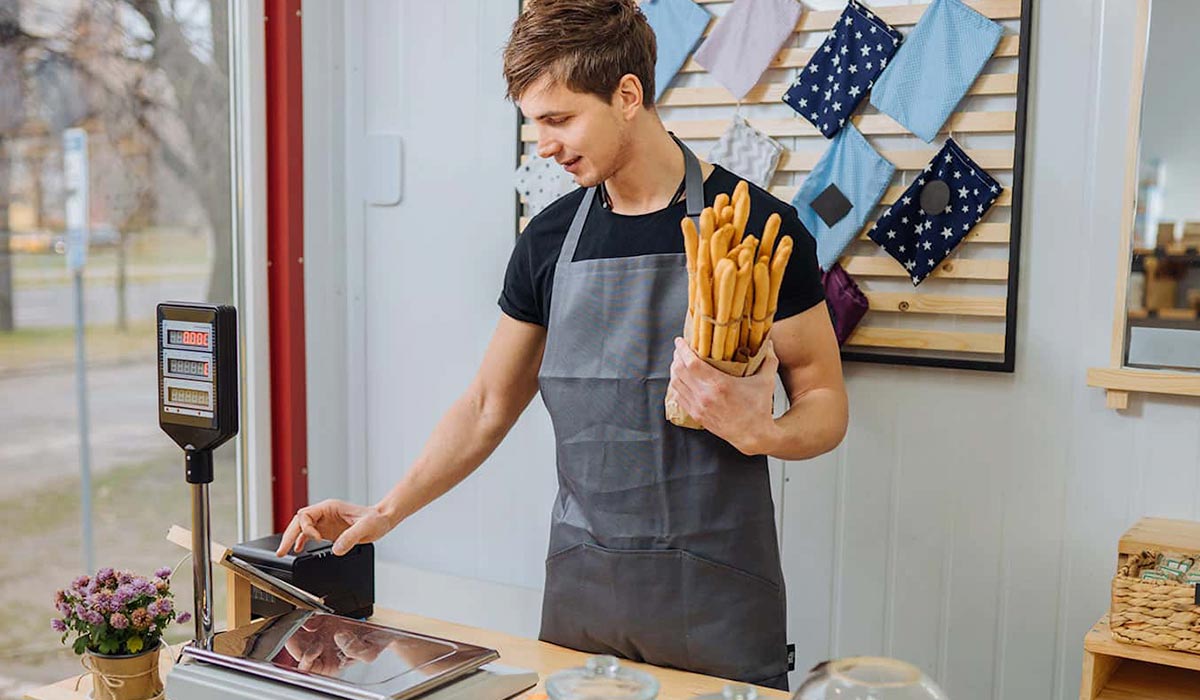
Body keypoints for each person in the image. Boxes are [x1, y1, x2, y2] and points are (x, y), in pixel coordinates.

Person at [276, 0, 848, 689]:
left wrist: (764, 434)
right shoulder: (548, 240)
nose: (544, 144)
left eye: (559, 119)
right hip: (584, 599)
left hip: (718, 597)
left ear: (627, 96)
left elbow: (824, 402)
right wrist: (384, 511)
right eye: (534, 124)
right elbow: (488, 404)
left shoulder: (757, 228)